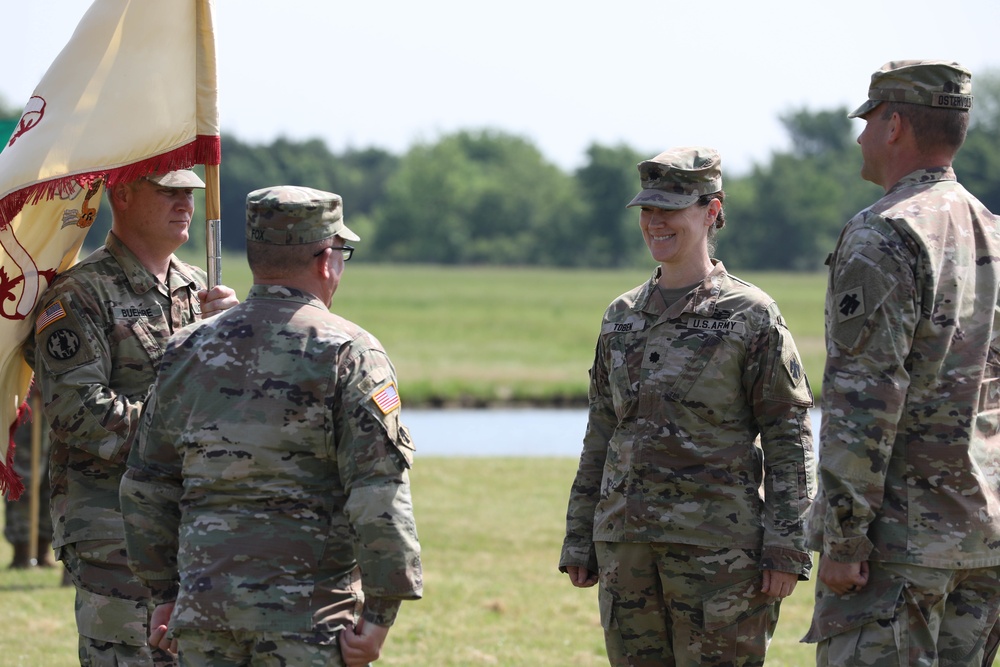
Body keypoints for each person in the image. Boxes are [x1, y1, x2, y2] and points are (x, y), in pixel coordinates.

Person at [120, 185, 423, 666]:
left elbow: (146, 483)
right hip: (307, 621)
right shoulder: (350, 352)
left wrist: (163, 593)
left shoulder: (186, 348)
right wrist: (380, 614)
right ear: (327, 260)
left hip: (203, 615)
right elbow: (377, 491)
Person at [559, 147, 816, 666]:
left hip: (719, 555)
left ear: (712, 211)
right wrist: (580, 537)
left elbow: (789, 437)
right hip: (626, 546)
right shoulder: (621, 316)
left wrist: (787, 548)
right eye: (648, 210)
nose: (656, 222)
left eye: (671, 209)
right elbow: (601, 432)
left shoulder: (751, 315)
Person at [803, 60, 1000, 666]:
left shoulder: (883, 235)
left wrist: (843, 537)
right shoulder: (991, 231)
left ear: (894, 127)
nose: (860, 135)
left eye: (867, 120)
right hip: (982, 537)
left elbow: (862, 402)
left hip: (898, 547)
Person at [25, 169, 239, 666]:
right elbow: (78, 411)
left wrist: (234, 333)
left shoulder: (199, 290)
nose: (185, 203)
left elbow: (226, 402)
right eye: (169, 191)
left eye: (190, 193)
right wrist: (183, 435)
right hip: (114, 526)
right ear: (122, 193)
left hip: (194, 522)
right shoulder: (80, 295)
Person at [3, 384, 54, 569]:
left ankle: (43, 549)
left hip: (59, 396)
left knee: (53, 478)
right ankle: (22, 551)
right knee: (23, 477)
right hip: (24, 397)